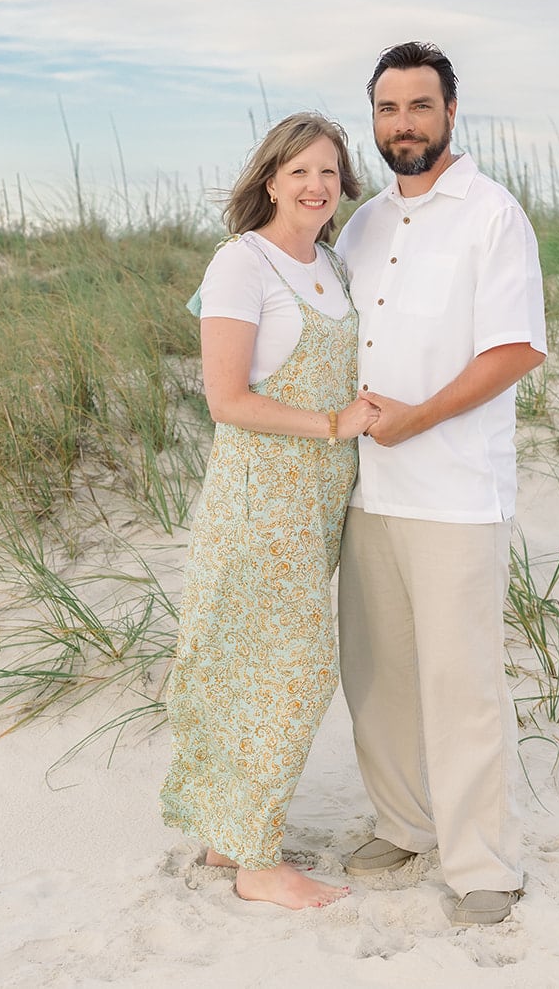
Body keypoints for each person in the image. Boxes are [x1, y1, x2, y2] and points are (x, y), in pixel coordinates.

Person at [335, 42, 548, 927]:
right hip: (364, 493)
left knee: (461, 683)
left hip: (455, 491)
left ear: (451, 113)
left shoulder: (493, 216)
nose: (403, 125)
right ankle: (404, 823)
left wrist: (417, 419)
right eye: (388, 110)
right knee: (377, 675)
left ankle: (480, 862)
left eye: (420, 107)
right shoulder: (362, 225)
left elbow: (514, 349)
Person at [160, 113, 379, 911]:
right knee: (292, 671)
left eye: (329, 172)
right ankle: (259, 863)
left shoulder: (330, 263)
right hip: (263, 496)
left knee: (255, 665)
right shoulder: (239, 263)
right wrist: (333, 424)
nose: (316, 186)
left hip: (316, 501)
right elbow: (227, 400)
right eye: (299, 172)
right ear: (269, 180)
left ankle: (232, 831)